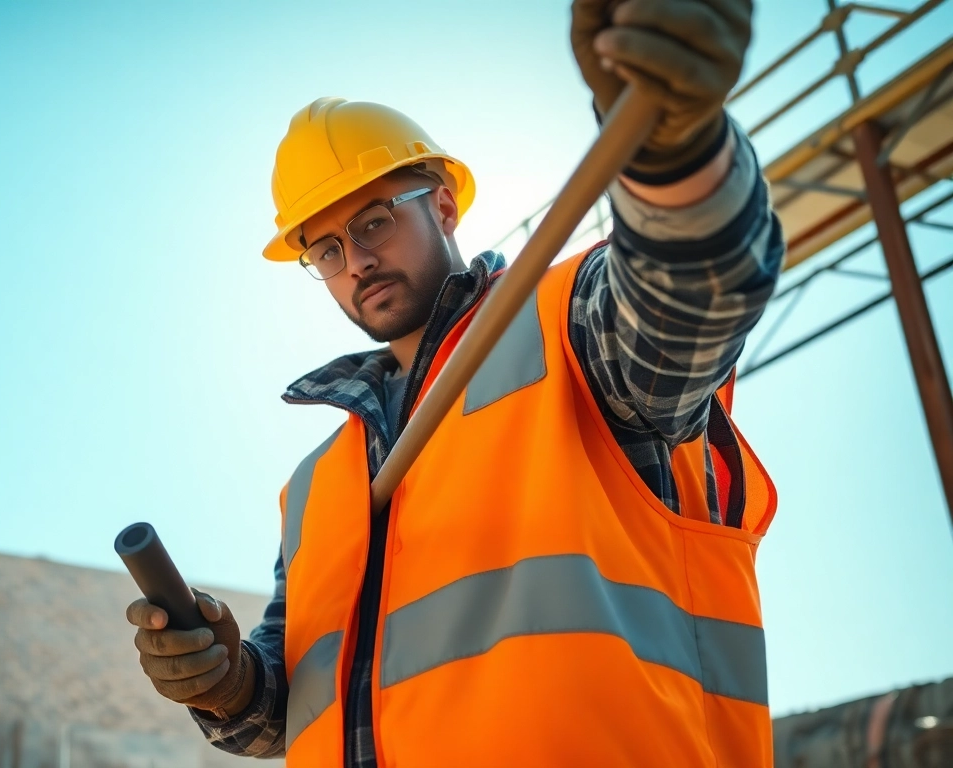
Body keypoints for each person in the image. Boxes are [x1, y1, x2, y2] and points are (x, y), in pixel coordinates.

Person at [126, 0, 784, 765]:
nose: (357, 262)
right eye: (327, 250)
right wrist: (230, 684)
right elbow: (293, 706)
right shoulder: (315, 490)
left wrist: (674, 146)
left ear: (443, 204)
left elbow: (696, 291)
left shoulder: (562, 325)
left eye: (374, 221)